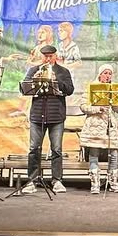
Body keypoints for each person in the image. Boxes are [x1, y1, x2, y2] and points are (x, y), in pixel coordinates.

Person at [21, 45, 74, 194]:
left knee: (56, 149)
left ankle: (57, 180)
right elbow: (24, 88)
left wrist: (56, 80)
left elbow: (70, 89)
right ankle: (32, 181)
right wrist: (35, 79)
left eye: (50, 56)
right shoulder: (34, 70)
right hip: (37, 115)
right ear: (42, 57)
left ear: (55, 56)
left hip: (56, 115)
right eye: (45, 56)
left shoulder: (63, 71)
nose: (48, 59)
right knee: (34, 149)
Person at [79, 64, 118, 194]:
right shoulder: (91, 87)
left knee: (114, 154)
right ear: (100, 74)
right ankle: (95, 183)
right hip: (95, 124)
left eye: (110, 73)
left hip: (109, 126)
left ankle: (113, 182)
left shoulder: (113, 89)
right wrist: (97, 108)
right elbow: (83, 106)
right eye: (105, 73)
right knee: (94, 153)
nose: (108, 76)